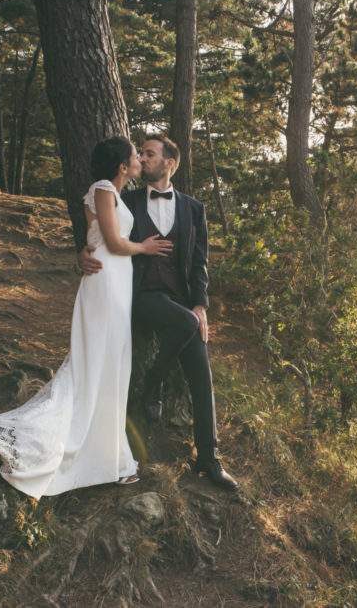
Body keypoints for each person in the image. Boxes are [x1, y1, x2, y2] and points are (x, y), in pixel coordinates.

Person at [0, 137, 172, 499]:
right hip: (106, 283)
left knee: (112, 366)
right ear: (121, 166)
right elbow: (112, 243)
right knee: (96, 363)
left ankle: (111, 456)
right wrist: (145, 247)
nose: (138, 160)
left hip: (118, 282)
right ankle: (92, 453)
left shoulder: (113, 192)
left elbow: (95, 239)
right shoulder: (102, 188)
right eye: (135, 156)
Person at [78, 133, 238, 491]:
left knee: (201, 367)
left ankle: (209, 458)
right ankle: (152, 385)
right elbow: (99, 230)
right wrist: (83, 254)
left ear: (169, 163)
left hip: (180, 300)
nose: (144, 159)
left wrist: (200, 305)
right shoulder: (127, 197)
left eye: (150, 154)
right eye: (141, 155)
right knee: (184, 323)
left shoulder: (195, 208)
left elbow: (199, 264)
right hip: (141, 297)